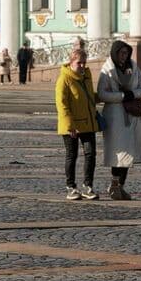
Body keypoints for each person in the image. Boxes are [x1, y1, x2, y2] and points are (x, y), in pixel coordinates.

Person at [97, 40, 141, 200]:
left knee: (129, 152)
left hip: (132, 115)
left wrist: (132, 94)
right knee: (119, 152)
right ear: (115, 53)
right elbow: (102, 94)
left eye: (126, 53)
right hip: (115, 117)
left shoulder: (133, 67)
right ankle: (114, 184)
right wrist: (121, 96)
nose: (123, 56)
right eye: (121, 53)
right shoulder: (107, 69)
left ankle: (120, 186)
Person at [54, 46, 100, 200]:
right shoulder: (64, 79)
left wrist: (107, 96)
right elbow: (62, 105)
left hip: (88, 123)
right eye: (79, 63)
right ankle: (71, 187)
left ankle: (88, 186)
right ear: (71, 62)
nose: (82, 66)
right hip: (71, 126)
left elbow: (89, 96)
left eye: (84, 63)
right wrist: (69, 126)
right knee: (71, 156)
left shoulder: (86, 77)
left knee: (90, 154)